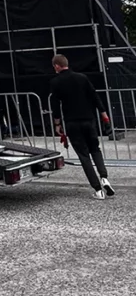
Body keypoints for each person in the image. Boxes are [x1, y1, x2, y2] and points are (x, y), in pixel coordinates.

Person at [49, 55, 114, 200]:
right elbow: (94, 96)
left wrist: (57, 124)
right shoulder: (82, 78)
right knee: (95, 149)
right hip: (89, 119)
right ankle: (104, 177)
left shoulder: (55, 82)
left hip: (72, 122)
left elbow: (55, 106)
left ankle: (98, 189)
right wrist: (104, 114)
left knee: (83, 155)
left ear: (57, 66)